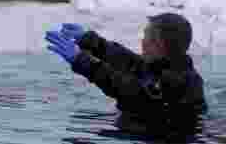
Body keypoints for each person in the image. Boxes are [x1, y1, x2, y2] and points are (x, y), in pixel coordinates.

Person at [45, 14, 207, 138]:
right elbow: (129, 62)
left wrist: (82, 61)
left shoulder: (178, 81)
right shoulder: (165, 67)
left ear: (160, 46)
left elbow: (127, 89)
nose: (142, 42)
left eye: (147, 38)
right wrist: (90, 41)